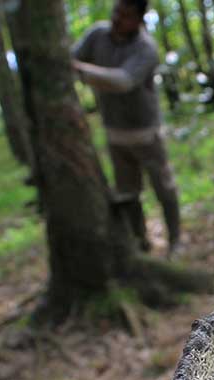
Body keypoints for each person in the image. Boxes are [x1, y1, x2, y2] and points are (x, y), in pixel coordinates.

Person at [72, 0, 182, 258]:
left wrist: (80, 70)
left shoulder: (145, 49)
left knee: (163, 187)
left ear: (138, 19)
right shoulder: (98, 35)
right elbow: (69, 57)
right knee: (128, 192)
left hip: (146, 133)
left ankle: (175, 241)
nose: (117, 18)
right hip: (115, 133)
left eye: (125, 15)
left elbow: (123, 81)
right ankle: (140, 242)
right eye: (116, 11)